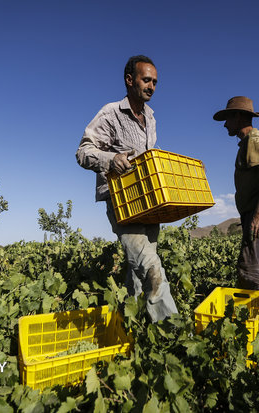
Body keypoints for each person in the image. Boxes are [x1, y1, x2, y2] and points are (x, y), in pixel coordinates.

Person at [76, 55, 178, 322]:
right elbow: (83, 152)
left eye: (155, 82)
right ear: (129, 80)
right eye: (146, 80)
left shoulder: (151, 118)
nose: (152, 86)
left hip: (148, 202)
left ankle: (135, 322)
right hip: (121, 199)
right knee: (150, 266)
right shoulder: (111, 113)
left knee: (138, 265)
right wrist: (111, 159)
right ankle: (172, 328)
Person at [213, 96, 259, 297]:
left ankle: (253, 320)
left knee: (248, 267)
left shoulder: (253, 139)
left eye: (228, 119)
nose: (225, 125)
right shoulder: (250, 141)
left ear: (238, 117)